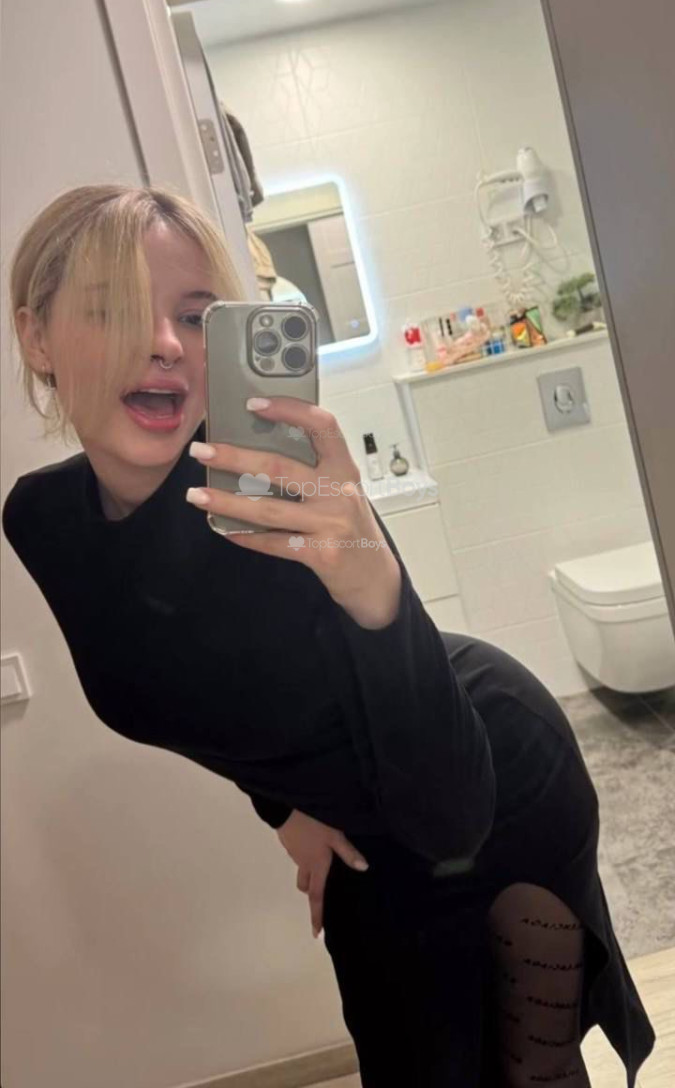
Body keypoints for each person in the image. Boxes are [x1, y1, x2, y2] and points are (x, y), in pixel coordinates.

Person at [2, 185, 654, 1087]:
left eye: (194, 316)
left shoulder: (286, 510)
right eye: (112, 310)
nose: (164, 344)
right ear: (36, 337)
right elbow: (185, 688)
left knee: (527, 1072)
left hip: (487, 770)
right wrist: (285, 810)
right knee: (410, 1059)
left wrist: (371, 579)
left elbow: (450, 813)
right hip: (364, 824)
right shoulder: (42, 521)